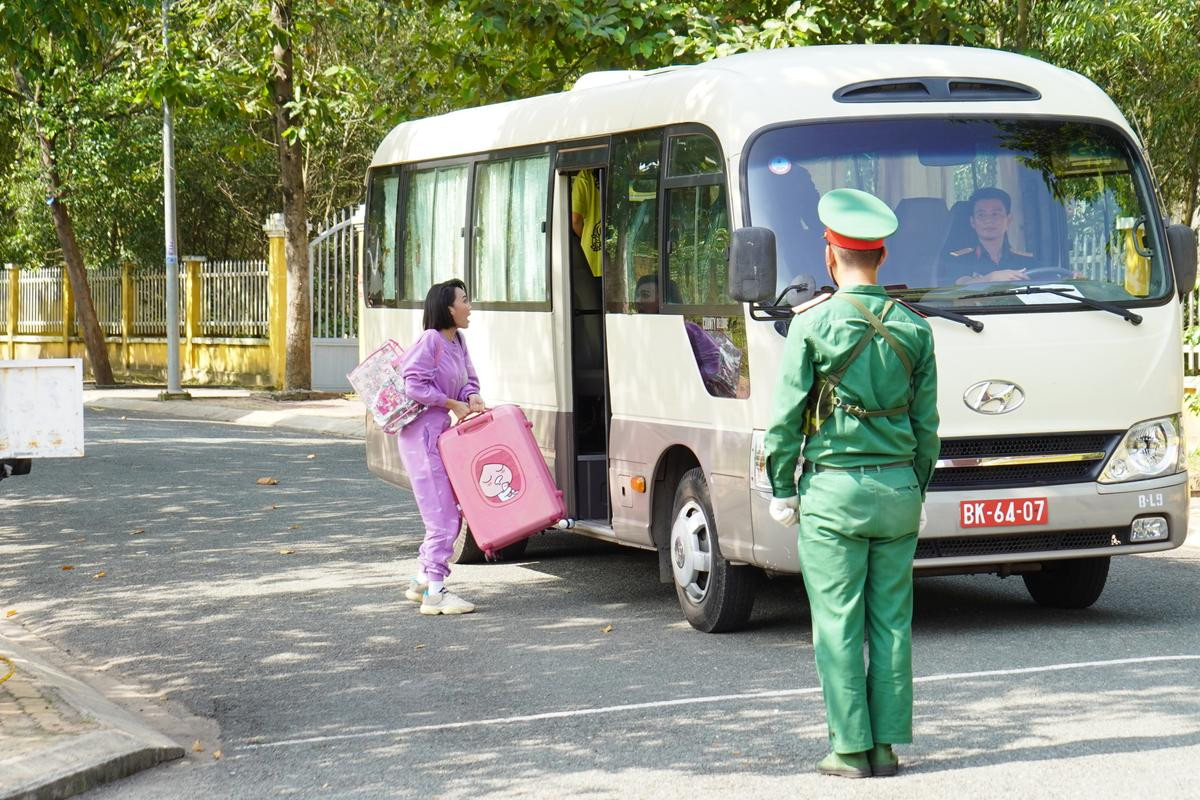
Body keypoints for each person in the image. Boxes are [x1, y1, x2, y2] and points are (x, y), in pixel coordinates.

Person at [764, 188, 940, 779]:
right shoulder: (916, 329)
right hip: (898, 494)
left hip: (833, 493)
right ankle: (886, 747)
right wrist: (915, 488)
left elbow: (787, 419)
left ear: (829, 255)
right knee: (892, 621)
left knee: (838, 622)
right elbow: (927, 426)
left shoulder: (811, 323)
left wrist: (783, 488)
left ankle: (848, 749)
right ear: (883, 257)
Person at [397, 278, 486, 615]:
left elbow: (468, 378)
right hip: (420, 438)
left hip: (439, 436)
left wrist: (470, 395)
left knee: (448, 509)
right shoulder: (430, 340)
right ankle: (436, 593)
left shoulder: (457, 340)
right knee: (444, 517)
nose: (469, 306)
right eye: (464, 300)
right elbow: (413, 385)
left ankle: (422, 581)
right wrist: (449, 402)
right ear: (448, 308)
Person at [941, 186, 1035, 285]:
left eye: (995, 214)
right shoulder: (958, 259)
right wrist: (991, 278)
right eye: (981, 215)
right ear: (972, 222)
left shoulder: (1026, 261)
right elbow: (962, 284)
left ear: (1008, 220)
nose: (988, 220)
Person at [572, 169, 603, 278]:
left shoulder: (584, 177)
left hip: (591, 259)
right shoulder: (617, 170)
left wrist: (585, 236)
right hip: (614, 262)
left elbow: (575, 220)